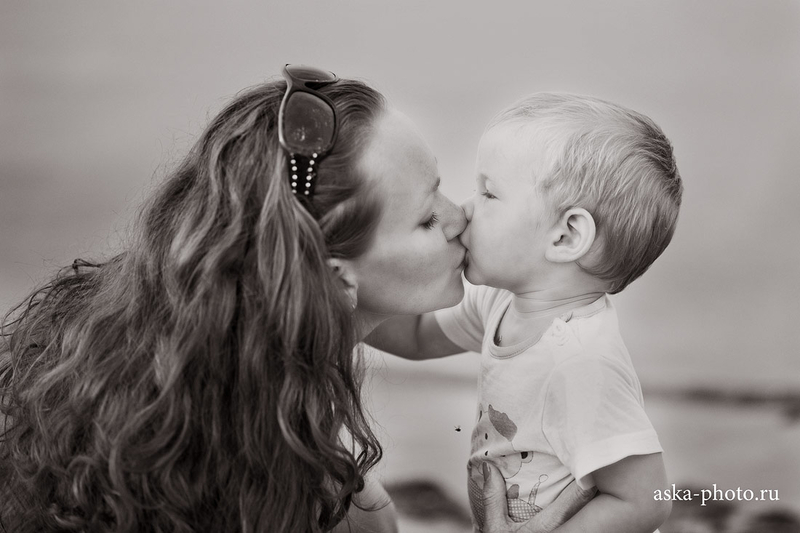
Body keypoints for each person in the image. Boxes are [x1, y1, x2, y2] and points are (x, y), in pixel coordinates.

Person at [0, 67, 591, 532]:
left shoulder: (156, 348)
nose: (459, 216)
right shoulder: (303, 496)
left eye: (438, 185)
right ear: (335, 281)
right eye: (425, 219)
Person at [368, 92, 683, 532]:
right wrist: (331, 294)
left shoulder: (581, 362)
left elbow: (645, 501)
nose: (464, 210)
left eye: (488, 193)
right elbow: (417, 334)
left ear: (566, 236)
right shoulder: (502, 303)